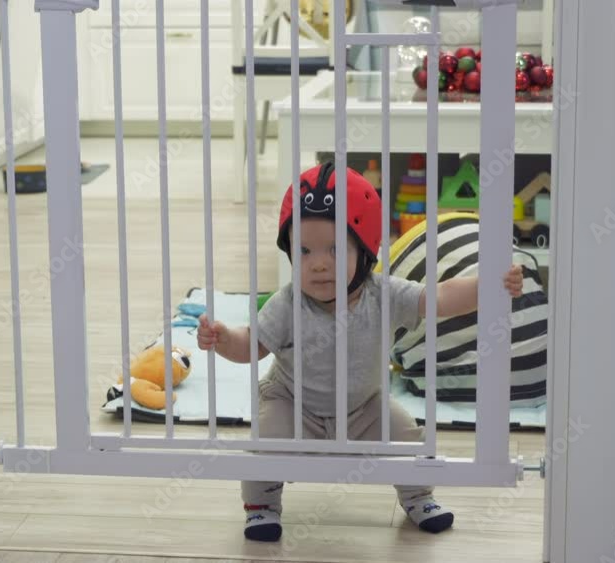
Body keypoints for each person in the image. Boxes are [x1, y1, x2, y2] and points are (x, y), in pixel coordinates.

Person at [197, 161, 524, 542]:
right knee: (266, 436)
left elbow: (439, 297)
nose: (318, 264)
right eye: (303, 251)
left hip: (364, 407)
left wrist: (490, 287)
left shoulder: (383, 294)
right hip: (294, 402)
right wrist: (224, 339)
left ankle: (418, 496)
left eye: (335, 249)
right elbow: (252, 345)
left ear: (366, 250)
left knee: (408, 436)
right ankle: (261, 504)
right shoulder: (288, 302)